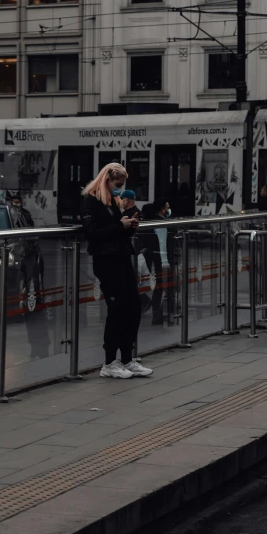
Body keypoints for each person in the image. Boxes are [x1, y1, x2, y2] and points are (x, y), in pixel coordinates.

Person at [81, 162, 152, 379]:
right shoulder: (91, 201)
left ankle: (127, 358)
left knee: (133, 307)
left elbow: (117, 232)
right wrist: (120, 226)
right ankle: (110, 361)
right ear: (106, 180)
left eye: (122, 184)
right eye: (117, 184)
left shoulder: (113, 201)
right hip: (106, 260)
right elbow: (92, 233)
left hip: (122, 257)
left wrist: (129, 225)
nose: (119, 188)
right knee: (118, 309)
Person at [145, 198, 175, 326]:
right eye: (167, 206)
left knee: (162, 286)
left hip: (159, 258)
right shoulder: (161, 223)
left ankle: (161, 312)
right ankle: (161, 313)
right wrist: (165, 261)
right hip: (163, 259)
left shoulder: (157, 220)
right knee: (163, 286)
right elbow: (162, 243)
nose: (169, 208)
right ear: (162, 209)